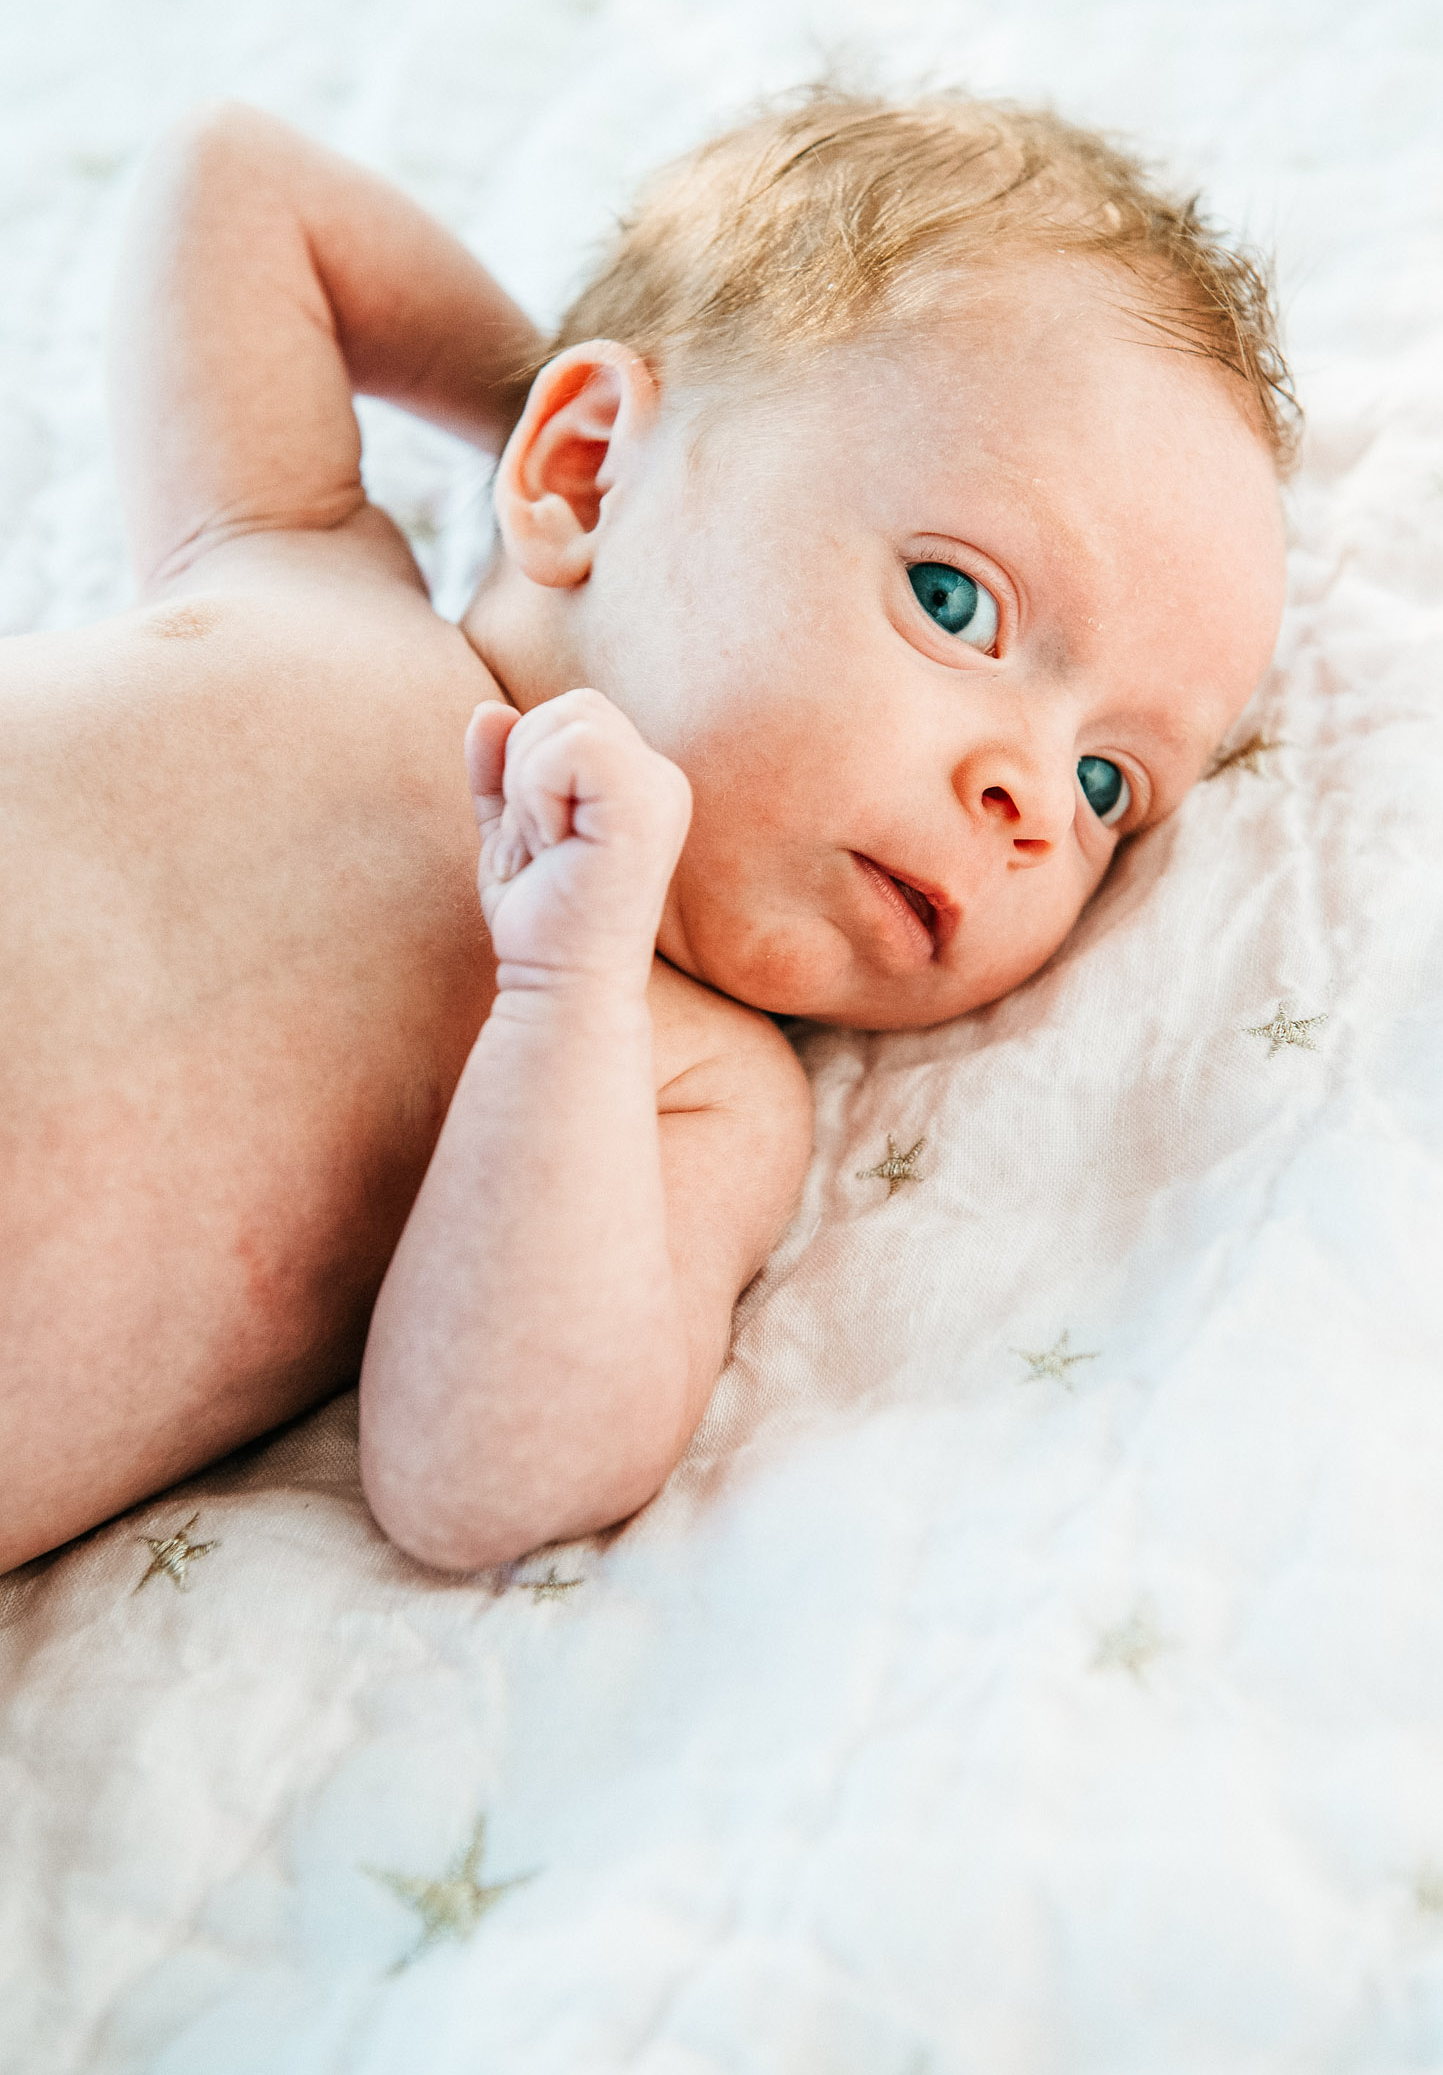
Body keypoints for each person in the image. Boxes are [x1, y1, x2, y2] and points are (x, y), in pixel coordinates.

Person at [0, 90, 1294, 1575]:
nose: (1029, 800)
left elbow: (483, 1477)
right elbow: (234, 180)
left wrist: (567, 999)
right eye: (957, 602)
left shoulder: (694, 1084)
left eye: (1110, 787)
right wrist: (584, 445)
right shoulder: (295, 554)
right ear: (578, 467)